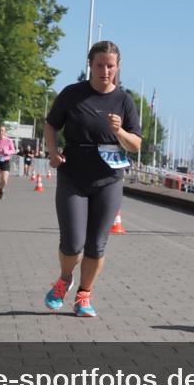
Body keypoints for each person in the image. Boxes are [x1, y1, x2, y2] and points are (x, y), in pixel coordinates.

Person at [43, 41, 141, 318]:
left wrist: (120, 132)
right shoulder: (73, 94)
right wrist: (52, 152)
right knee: (73, 243)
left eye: (111, 66)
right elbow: (51, 124)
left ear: (118, 67)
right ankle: (64, 280)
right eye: (100, 65)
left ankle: (84, 295)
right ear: (91, 65)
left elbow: (135, 144)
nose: (105, 71)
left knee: (96, 244)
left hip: (108, 179)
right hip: (73, 175)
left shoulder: (124, 100)